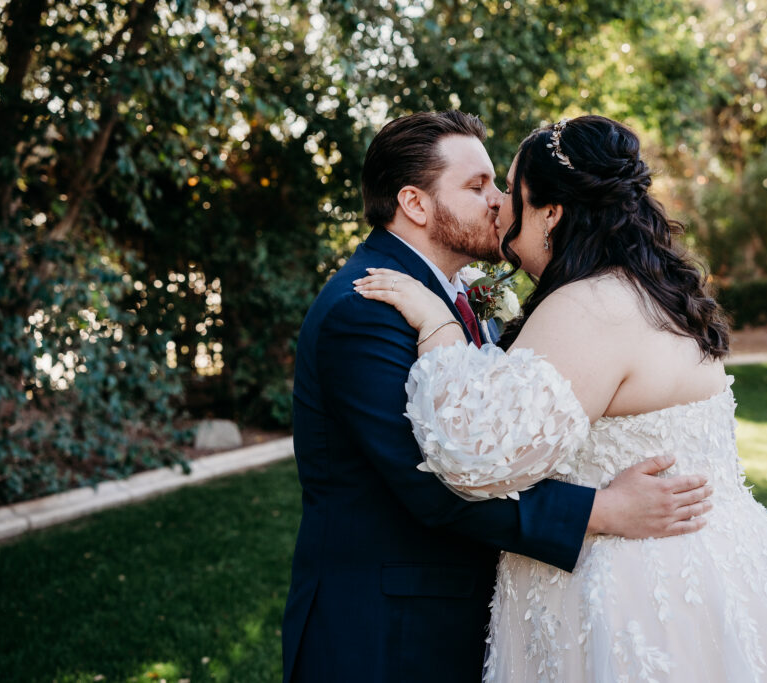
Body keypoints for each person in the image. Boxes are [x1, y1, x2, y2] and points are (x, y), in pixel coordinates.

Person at [356, 115, 767, 681]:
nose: (497, 206)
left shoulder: (589, 305)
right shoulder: (655, 290)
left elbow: (472, 455)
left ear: (551, 212)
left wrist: (437, 326)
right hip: (715, 567)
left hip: (634, 588)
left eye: (509, 190)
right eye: (483, 189)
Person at [281, 110, 715, 683]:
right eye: (477, 186)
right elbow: (431, 481)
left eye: (499, 184)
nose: (498, 201)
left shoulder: (458, 295)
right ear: (414, 204)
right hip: (387, 631)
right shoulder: (366, 307)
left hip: (460, 614)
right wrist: (602, 511)